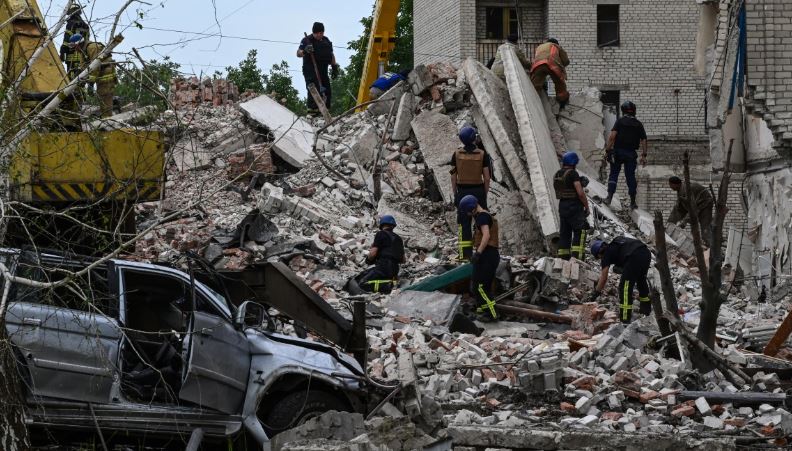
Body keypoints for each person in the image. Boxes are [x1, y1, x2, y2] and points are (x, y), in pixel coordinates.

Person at [451, 126, 492, 261]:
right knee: (482, 222)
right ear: (474, 138)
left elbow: (453, 176)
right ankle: (483, 251)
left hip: (462, 191)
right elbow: (487, 177)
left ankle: (465, 255)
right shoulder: (482, 154)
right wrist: (484, 193)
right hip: (478, 190)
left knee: (463, 225)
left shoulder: (456, 155)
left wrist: (455, 193)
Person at [589, 237, 652, 324]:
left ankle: (625, 319)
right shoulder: (616, 243)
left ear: (599, 253)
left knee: (625, 287)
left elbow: (603, 278)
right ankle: (646, 310)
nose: (600, 259)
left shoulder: (606, 255)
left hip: (633, 257)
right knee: (641, 280)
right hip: (645, 253)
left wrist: (596, 293)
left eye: (598, 257)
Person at [459, 195, 500, 322]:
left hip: (487, 255)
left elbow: (486, 236)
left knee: (480, 287)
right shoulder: (484, 215)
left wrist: (478, 253)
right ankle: (483, 310)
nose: (467, 214)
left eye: (467, 211)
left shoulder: (482, 217)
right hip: (488, 255)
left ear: (472, 208)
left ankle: (492, 313)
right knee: (477, 285)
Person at [604, 101, 648, 209]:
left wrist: (607, 150)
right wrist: (644, 155)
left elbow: (612, 137)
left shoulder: (620, 121)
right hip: (631, 154)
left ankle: (609, 198)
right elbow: (644, 140)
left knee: (614, 174)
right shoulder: (638, 124)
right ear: (634, 111)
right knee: (630, 177)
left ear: (623, 110)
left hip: (618, 152)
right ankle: (633, 202)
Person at [67, 34, 116, 118]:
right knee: (101, 95)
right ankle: (106, 115)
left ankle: (107, 119)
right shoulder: (83, 50)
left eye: (74, 47)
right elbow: (84, 67)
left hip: (106, 73)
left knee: (105, 95)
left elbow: (95, 66)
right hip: (99, 73)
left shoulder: (92, 47)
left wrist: (91, 83)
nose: (74, 49)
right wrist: (78, 78)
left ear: (78, 44)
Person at [553, 152, 591, 260]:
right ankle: (577, 259)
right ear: (574, 163)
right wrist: (587, 206)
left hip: (562, 206)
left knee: (565, 233)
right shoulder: (573, 174)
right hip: (574, 206)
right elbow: (580, 193)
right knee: (580, 231)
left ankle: (563, 259)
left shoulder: (558, 174)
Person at [297, 22, 340, 114]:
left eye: (321, 33)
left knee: (327, 90)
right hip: (310, 70)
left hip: (323, 70)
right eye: (317, 33)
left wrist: (334, 66)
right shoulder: (307, 40)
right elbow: (298, 53)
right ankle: (312, 111)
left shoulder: (326, 40)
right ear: (314, 32)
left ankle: (325, 111)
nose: (319, 35)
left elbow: (331, 54)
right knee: (313, 88)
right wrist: (305, 51)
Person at [359, 215, 405, 294]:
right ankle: (390, 284)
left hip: (383, 267)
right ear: (393, 226)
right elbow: (403, 260)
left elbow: (372, 253)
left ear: (382, 224)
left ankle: (386, 286)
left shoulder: (381, 234)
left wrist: (368, 260)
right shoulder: (399, 238)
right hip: (394, 271)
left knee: (362, 283)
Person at [667, 176, 714, 246]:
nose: (670, 187)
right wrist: (669, 223)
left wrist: (684, 221)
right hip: (696, 204)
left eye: (670, 185)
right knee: (681, 214)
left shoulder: (687, 189)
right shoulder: (680, 189)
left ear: (675, 184)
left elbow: (693, 208)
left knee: (705, 229)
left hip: (705, 204)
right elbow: (678, 208)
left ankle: (712, 248)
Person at [530, 38, 570, 107]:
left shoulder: (539, 47)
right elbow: (566, 61)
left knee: (536, 85)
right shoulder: (556, 46)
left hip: (537, 65)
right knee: (560, 84)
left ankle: (534, 102)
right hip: (551, 64)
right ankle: (562, 103)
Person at [59, 4, 89, 72]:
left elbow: (66, 40)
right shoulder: (86, 25)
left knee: (72, 75)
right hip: (83, 55)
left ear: (71, 12)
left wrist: (62, 53)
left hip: (72, 56)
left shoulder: (71, 24)